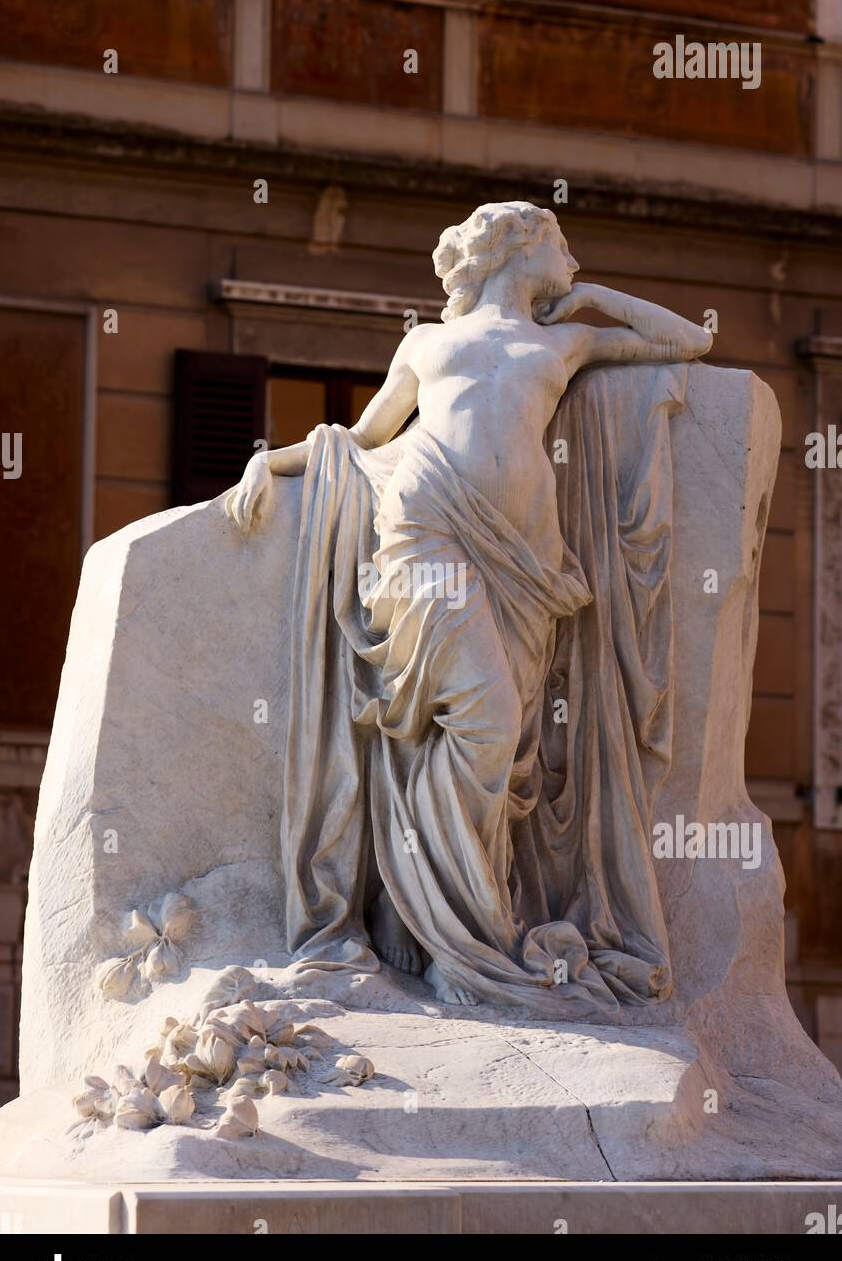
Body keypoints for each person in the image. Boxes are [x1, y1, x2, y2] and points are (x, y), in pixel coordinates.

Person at [226, 202, 711, 1008]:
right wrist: (267, 463)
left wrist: (596, 299)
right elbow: (365, 435)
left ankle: (444, 926)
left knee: (501, 740)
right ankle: (455, 932)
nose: (573, 257)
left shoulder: (566, 341)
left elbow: (689, 341)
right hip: (427, 533)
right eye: (562, 244)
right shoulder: (427, 342)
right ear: (519, 247)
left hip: (522, 567)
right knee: (484, 725)